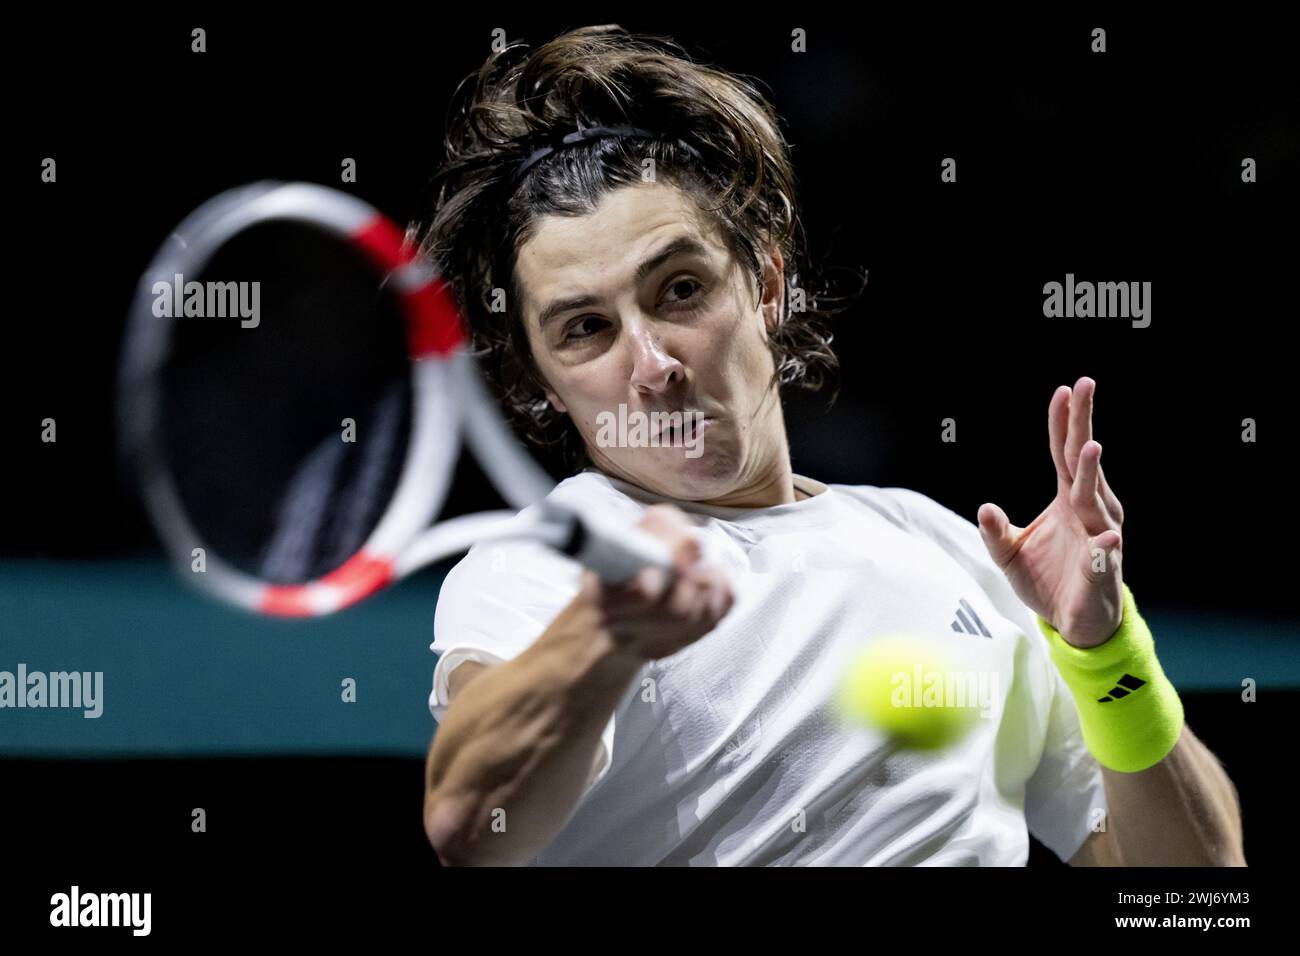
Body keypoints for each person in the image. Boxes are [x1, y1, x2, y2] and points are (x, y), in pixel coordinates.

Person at [413, 25, 1245, 866]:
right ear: (550, 382)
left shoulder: (950, 548)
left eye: (681, 289)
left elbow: (1194, 890)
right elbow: (471, 829)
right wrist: (606, 635)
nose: (654, 366)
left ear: (768, 285)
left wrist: (1105, 653)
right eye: (586, 329)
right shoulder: (543, 569)